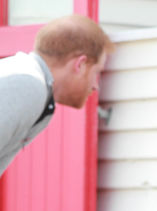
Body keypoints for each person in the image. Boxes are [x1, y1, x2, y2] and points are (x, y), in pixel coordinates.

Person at [0, 14, 112, 175]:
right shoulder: (27, 84)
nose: (95, 86)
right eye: (96, 73)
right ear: (80, 64)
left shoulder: (25, 78)